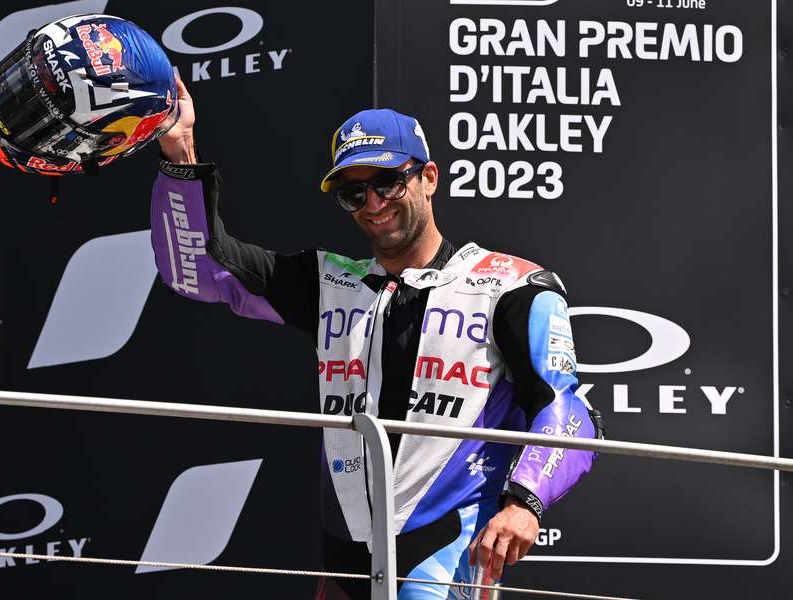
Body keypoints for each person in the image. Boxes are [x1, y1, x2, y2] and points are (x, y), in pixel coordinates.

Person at [150, 77, 603, 600]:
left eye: (387, 182)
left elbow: (568, 408)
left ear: (429, 178)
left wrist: (525, 503)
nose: (372, 203)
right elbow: (196, 270)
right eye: (352, 192)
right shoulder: (330, 282)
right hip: (341, 557)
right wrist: (178, 151)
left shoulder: (511, 286)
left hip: (442, 551)